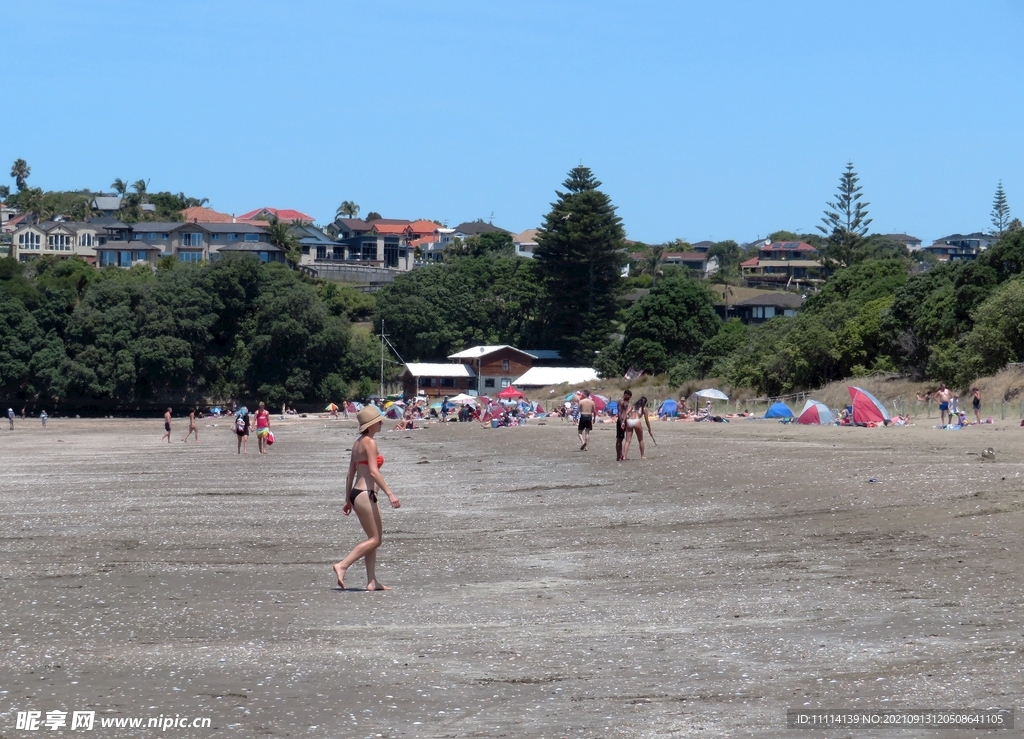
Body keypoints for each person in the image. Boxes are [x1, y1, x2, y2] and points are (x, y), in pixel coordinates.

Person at [333, 406, 401, 591]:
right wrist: (390, 493)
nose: (381, 423)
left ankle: (372, 581)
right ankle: (343, 565)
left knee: (373, 538)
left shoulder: (357, 443)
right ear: (370, 425)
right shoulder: (370, 442)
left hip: (357, 493)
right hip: (366, 493)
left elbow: (350, 473)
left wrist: (348, 499)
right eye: (378, 421)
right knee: (375, 540)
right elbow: (372, 471)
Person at [622, 396, 654, 460]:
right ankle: (642, 455)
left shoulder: (633, 406)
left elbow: (626, 413)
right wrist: (649, 429)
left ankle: (624, 456)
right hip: (637, 421)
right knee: (641, 440)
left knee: (627, 441)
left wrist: (623, 422)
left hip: (629, 421)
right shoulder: (643, 409)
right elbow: (647, 420)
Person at [615, 389, 632, 461]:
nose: (629, 398)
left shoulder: (626, 401)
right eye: (629, 396)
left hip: (625, 421)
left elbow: (625, 411)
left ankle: (622, 455)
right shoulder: (621, 401)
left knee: (623, 438)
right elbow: (619, 413)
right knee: (619, 439)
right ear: (625, 394)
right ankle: (618, 456)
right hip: (621, 421)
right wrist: (622, 422)